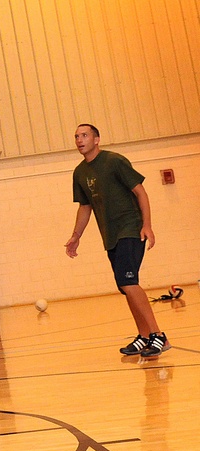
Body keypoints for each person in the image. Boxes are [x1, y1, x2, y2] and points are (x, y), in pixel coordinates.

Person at [65, 124, 167, 357]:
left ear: (97, 139)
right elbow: (85, 206)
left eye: (85, 135)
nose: (80, 140)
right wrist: (75, 236)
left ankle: (158, 335)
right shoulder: (80, 172)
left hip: (130, 229)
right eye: (76, 137)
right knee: (125, 286)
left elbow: (141, 192)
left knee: (128, 281)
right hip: (110, 235)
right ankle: (143, 336)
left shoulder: (114, 161)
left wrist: (147, 225)